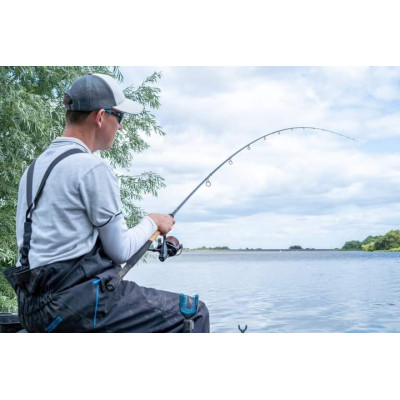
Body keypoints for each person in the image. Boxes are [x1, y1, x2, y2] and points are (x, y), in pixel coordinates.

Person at [7, 73, 210, 333]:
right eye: (120, 117)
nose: (121, 127)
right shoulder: (91, 168)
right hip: (75, 307)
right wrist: (153, 221)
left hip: (33, 308)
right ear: (101, 117)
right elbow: (120, 250)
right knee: (194, 312)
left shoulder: (35, 169)